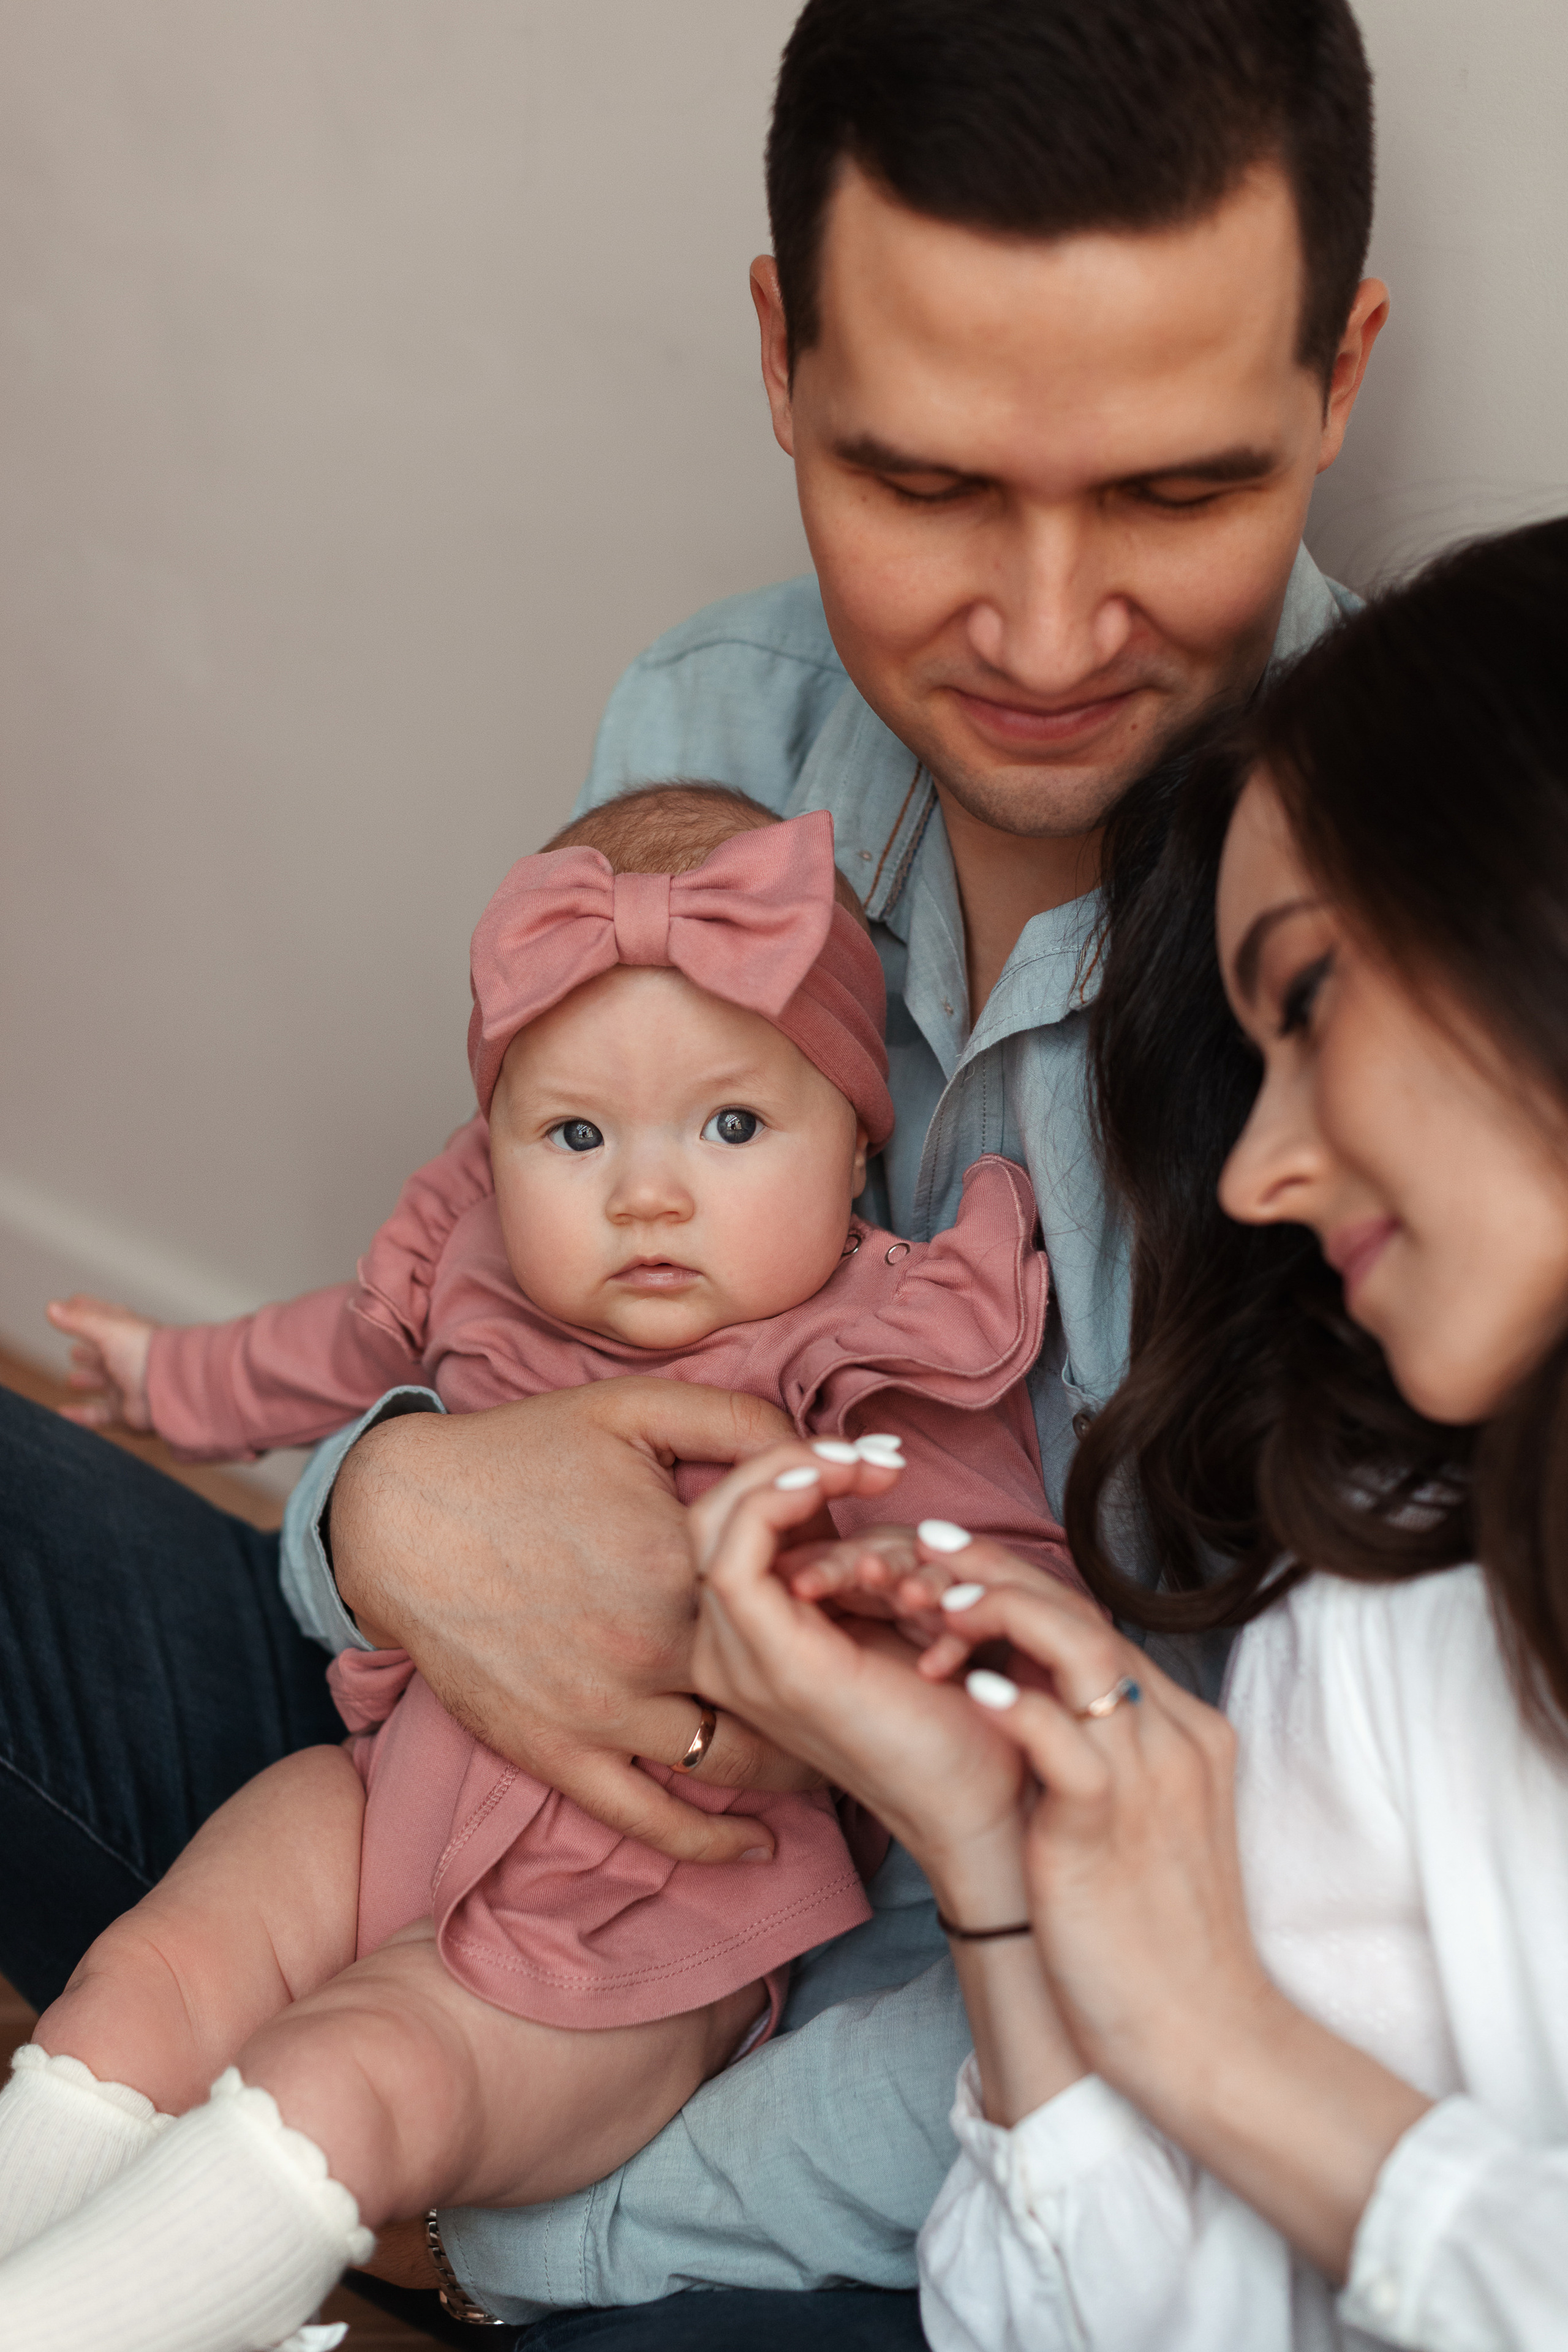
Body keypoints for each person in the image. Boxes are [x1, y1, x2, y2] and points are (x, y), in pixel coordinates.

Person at [0, 0, 1388, 2333]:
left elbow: (1241, 1954)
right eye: (927, 485)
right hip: (473, 1786)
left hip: (939, 2088)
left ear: (1339, 381)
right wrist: (384, 1511)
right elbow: (471, 1294)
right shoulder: (711, 737)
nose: (1045, 637)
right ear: (779, 353)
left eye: (1173, 492)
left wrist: (518, 2211)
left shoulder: (1408, 956)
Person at [2, 786, 1074, 2351]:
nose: (646, 1195)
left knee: (353, 2066)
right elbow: (333, 1352)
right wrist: (172, 1378)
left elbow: (985, 1592)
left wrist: (883, 1625)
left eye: (729, 1127)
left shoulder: (873, 1355)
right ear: (497, 1142)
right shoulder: (481, 1257)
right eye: (576, 1134)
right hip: (396, 1795)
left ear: (855, 1137)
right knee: (153, 1967)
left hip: (642, 1926)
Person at [680, 516, 1568, 2350]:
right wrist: (991, 1856)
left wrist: (1228, 2050)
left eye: (1311, 1003)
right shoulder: (1391, 1583)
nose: (1260, 1168)